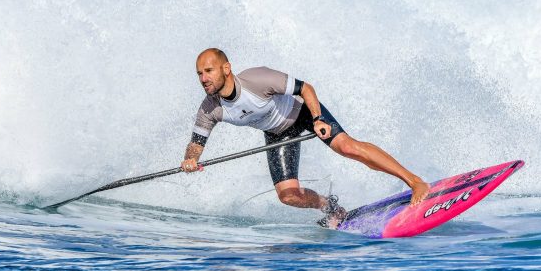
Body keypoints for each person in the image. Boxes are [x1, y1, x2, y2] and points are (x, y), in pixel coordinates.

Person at [180, 48, 430, 227]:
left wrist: (319, 118)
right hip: (278, 133)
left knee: (347, 147)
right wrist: (190, 160)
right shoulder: (209, 108)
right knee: (288, 195)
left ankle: (415, 181)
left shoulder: (257, 79)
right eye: (199, 74)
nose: (203, 79)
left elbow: (306, 88)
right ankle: (331, 207)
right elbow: (196, 145)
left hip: (303, 112)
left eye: (209, 71)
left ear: (226, 68)